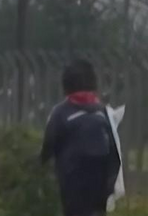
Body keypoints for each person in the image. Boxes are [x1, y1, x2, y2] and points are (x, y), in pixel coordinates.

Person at [41, 59, 121, 216]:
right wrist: (110, 187)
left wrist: (40, 163)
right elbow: (113, 152)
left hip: (72, 184)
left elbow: (48, 146)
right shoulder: (102, 111)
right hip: (99, 188)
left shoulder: (61, 112)